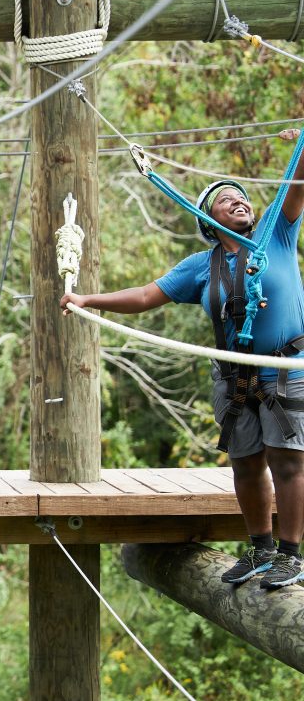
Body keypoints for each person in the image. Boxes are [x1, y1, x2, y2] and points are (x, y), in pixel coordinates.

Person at [61, 128, 304, 590]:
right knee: (246, 461)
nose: (238, 202)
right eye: (224, 200)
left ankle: (290, 557)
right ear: (207, 221)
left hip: (283, 369)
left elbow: (298, 180)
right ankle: (260, 548)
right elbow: (147, 295)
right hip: (234, 378)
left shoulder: (277, 234)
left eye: (241, 198)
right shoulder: (200, 266)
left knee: (287, 459)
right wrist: (89, 300)